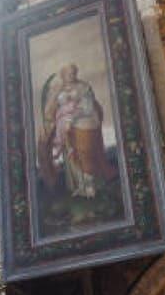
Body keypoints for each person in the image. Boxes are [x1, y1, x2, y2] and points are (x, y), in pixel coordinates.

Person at [37, 64, 116, 199]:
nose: (71, 76)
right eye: (68, 73)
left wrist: (73, 117)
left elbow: (89, 107)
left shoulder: (83, 87)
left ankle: (90, 186)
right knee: (71, 155)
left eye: (73, 73)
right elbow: (50, 110)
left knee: (84, 153)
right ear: (63, 75)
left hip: (83, 123)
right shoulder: (58, 90)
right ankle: (78, 186)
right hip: (65, 126)